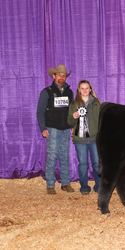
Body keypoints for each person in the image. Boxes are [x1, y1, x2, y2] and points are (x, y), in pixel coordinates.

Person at [37, 64, 75, 194]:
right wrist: (43, 128)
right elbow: (40, 112)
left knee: (65, 155)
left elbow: (72, 111)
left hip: (65, 129)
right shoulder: (46, 92)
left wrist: (72, 126)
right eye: (59, 75)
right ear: (54, 76)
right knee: (52, 156)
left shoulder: (69, 92)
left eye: (63, 75)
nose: (61, 77)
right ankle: (50, 184)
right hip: (52, 129)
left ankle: (65, 183)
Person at [67, 80, 101, 195]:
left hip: (94, 139)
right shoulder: (74, 104)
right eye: (82, 88)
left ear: (90, 89)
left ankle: (99, 185)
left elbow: (101, 120)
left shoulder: (97, 103)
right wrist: (73, 116)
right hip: (80, 140)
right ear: (79, 90)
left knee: (96, 163)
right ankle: (84, 187)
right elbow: (69, 121)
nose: (85, 90)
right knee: (83, 164)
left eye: (87, 88)